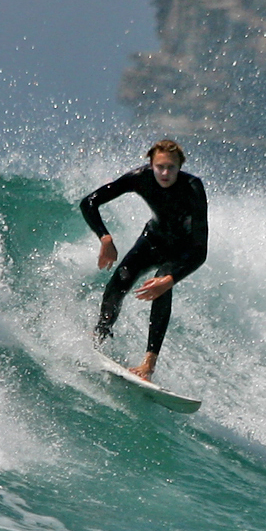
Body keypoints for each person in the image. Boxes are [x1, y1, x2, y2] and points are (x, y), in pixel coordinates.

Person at [80, 139, 208, 381]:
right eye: (160, 166)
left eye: (171, 167)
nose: (165, 173)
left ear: (180, 166)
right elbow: (88, 203)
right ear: (151, 164)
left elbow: (201, 249)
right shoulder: (140, 178)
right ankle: (100, 336)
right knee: (118, 282)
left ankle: (148, 363)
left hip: (183, 249)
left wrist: (170, 279)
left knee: (160, 284)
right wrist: (105, 238)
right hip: (153, 240)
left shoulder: (193, 188)